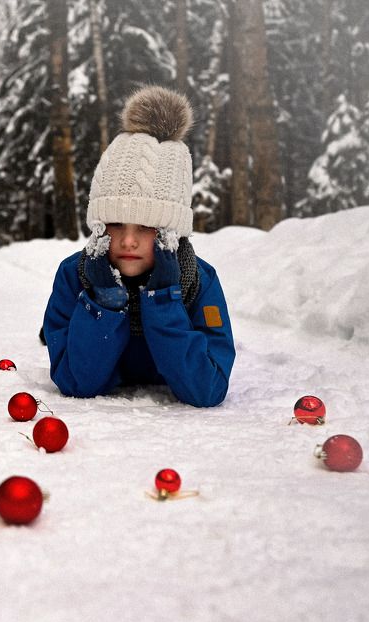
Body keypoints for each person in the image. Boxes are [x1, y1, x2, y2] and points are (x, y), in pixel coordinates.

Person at [42, 85, 235, 407]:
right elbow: (77, 383)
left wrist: (163, 301)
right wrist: (101, 304)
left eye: (146, 227)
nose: (128, 240)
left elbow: (207, 390)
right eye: (116, 224)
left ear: (172, 233)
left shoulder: (198, 281)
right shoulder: (74, 276)